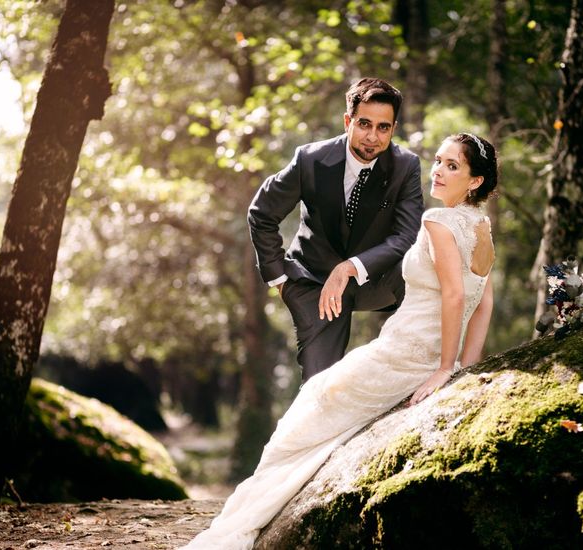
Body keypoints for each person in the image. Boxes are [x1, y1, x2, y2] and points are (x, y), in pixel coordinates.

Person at [182, 133, 498, 550]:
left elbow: (459, 297)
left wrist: (444, 370)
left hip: (405, 355)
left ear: (475, 181)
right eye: (438, 161)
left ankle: (249, 517)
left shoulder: (437, 222)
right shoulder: (482, 227)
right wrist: (463, 365)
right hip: (425, 352)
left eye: (453, 166)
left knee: (314, 402)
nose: (438, 171)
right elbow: (484, 301)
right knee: (318, 399)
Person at [248, 77, 424, 381]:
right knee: (319, 382)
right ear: (348, 121)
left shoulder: (405, 166)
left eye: (383, 128)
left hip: (377, 279)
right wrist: (280, 280)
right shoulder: (310, 159)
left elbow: (406, 236)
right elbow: (262, 212)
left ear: (393, 129)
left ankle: (425, 376)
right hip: (315, 282)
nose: (373, 136)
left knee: (425, 266)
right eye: (364, 124)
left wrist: (349, 268)